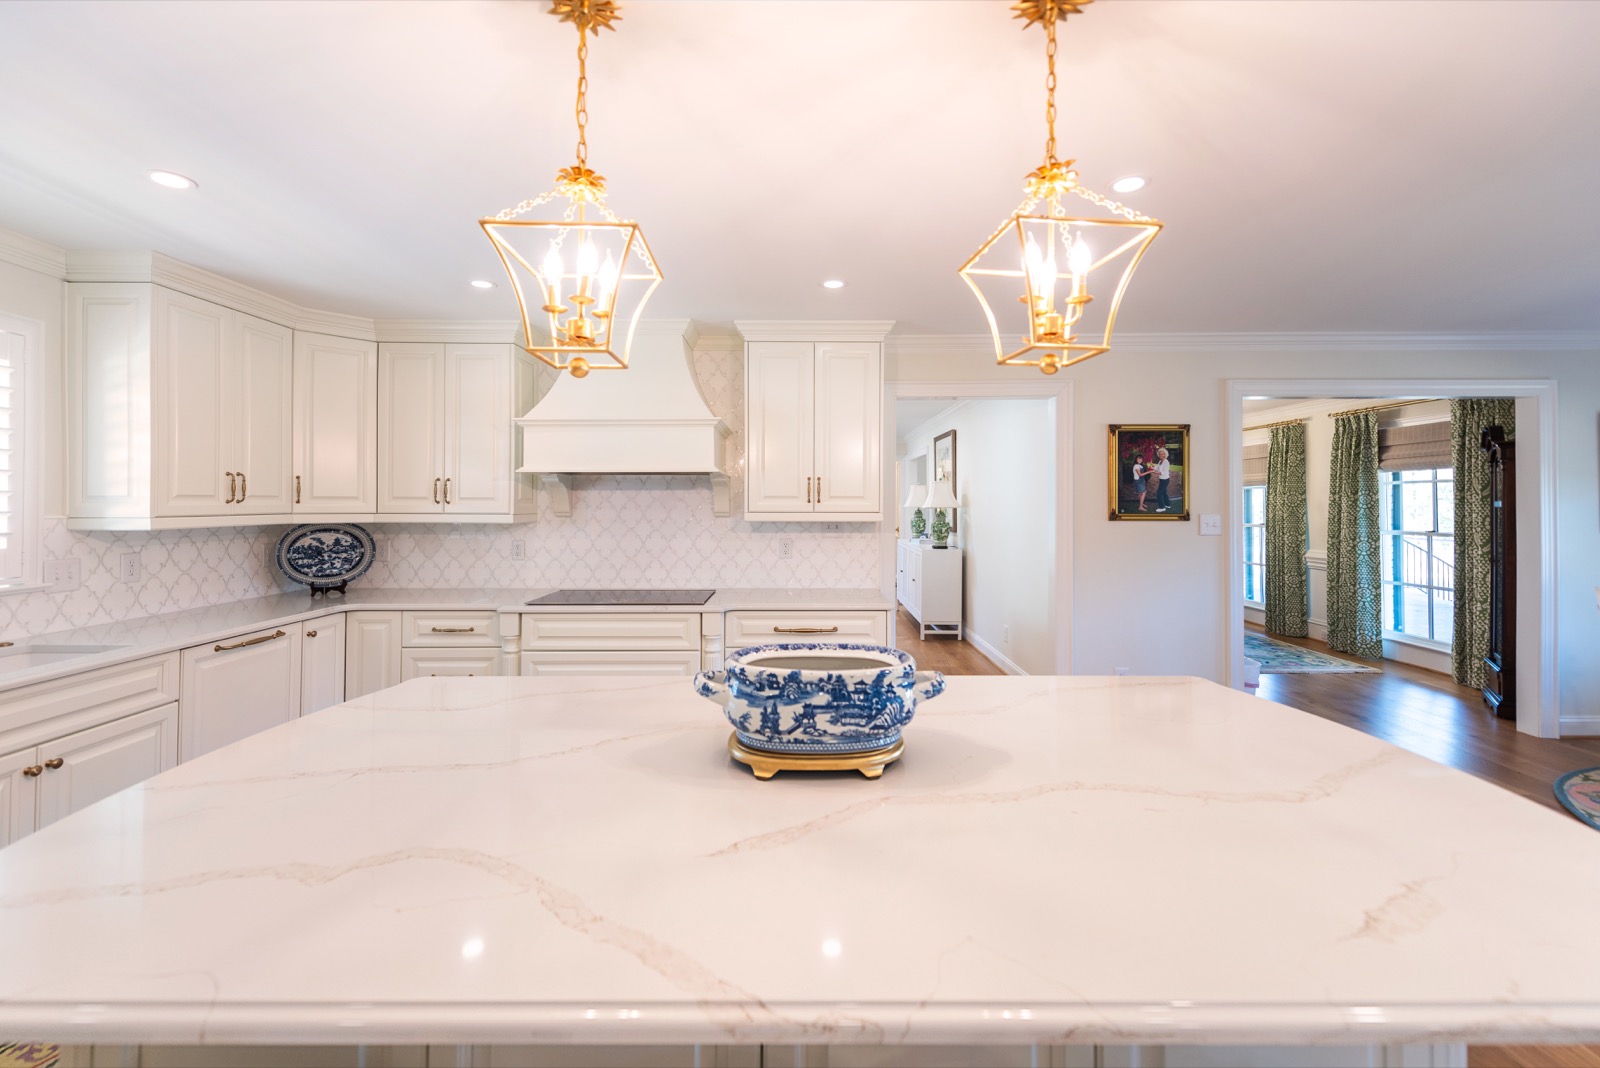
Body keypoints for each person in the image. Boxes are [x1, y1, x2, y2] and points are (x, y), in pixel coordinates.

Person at [1154, 447, 1172, 512]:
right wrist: (1152, 466)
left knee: (1159, 493)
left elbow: (1163, 472)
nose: (1160, 455)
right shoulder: (1160, 461)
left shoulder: (1166, 462)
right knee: (1164, 492)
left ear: (1165, 454)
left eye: (1162, 454)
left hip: (1165, 479)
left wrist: (1156, 472)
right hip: (1162, 479)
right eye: (1159, 454)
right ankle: (1168, 505)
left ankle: (1162, 507)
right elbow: (1157, 468)